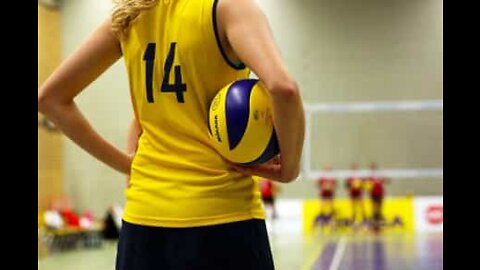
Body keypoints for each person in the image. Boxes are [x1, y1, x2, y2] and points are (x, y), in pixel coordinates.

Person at [38, 0, 305, 269]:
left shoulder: (129, 16)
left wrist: (127, 164)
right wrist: (290, 168)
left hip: (143, 226)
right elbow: (284, 89)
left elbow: (50, 99)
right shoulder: (227, 8)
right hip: (223, 218)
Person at [365, 162, 389, 231]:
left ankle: (379, 223)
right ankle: (374, 223)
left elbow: (386, 181)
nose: (373, 168)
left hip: (380, 193)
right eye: (372, 167)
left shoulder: (380, 175)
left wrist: (385, 178)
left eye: (374, 167)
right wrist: (368, 189)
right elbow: (367, 185)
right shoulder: (369, 176)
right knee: (374, 208)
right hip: (373, 194)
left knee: (380, 208)